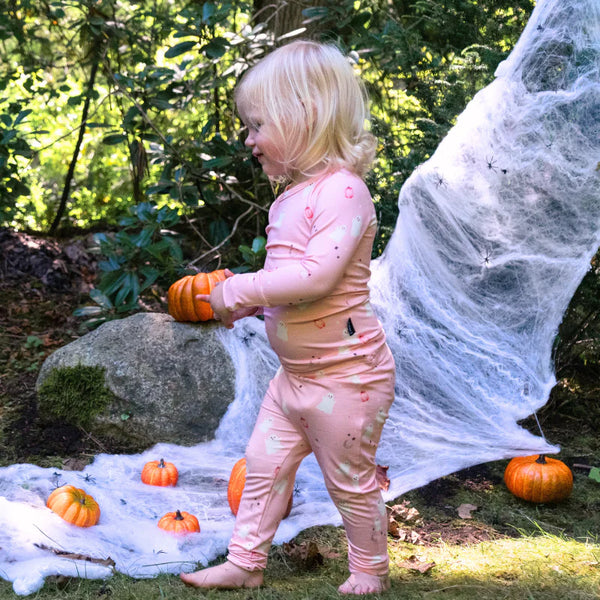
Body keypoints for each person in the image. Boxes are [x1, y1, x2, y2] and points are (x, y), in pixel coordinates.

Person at [180, 40, 396, 596]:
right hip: (295, 379)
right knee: (262, 467)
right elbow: (291, 286)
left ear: (303, 116)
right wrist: (255, 301)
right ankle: (245, 563)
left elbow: (317, 278)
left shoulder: (345, 192)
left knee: (349, 482)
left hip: (347, 377)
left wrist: (240, 288)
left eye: (256, 126)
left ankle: (368, 569)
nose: (248, 140)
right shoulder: (289, 198)